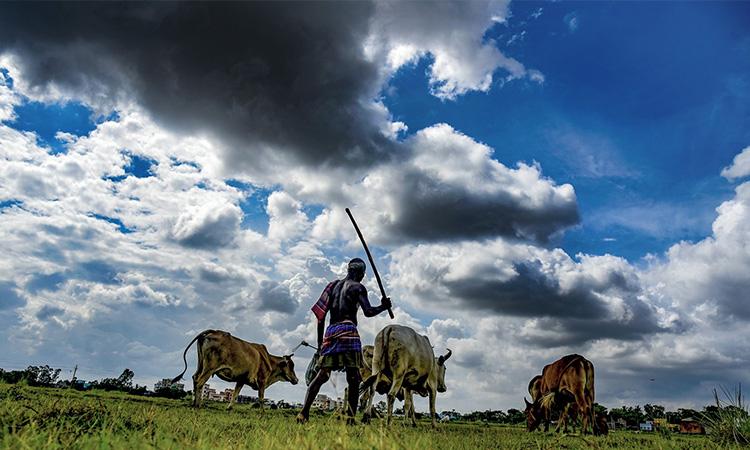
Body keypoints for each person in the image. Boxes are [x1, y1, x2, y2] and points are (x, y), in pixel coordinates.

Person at [296, 258, 391, 424]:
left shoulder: (333, 287)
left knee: (322, 375)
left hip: (331, 332)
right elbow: (368, 311)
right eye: (362, 274)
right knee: (354, 378)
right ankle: (351, 419)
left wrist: (321, 345)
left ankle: (303, 413)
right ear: (360, 273)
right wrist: (383, 307)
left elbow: (320, 317)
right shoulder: (358, 287)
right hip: (348, 333)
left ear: (348, 270)